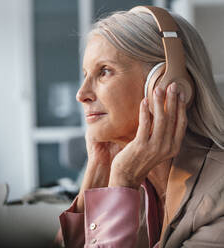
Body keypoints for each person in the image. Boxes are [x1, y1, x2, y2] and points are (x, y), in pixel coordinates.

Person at [55, 6, 224, 248]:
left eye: (104, 72)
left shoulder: (219, 194)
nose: (81, 94)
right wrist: (97, 172)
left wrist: (124, 181)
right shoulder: (139, 181)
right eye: (85, 74)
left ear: (165, 84)